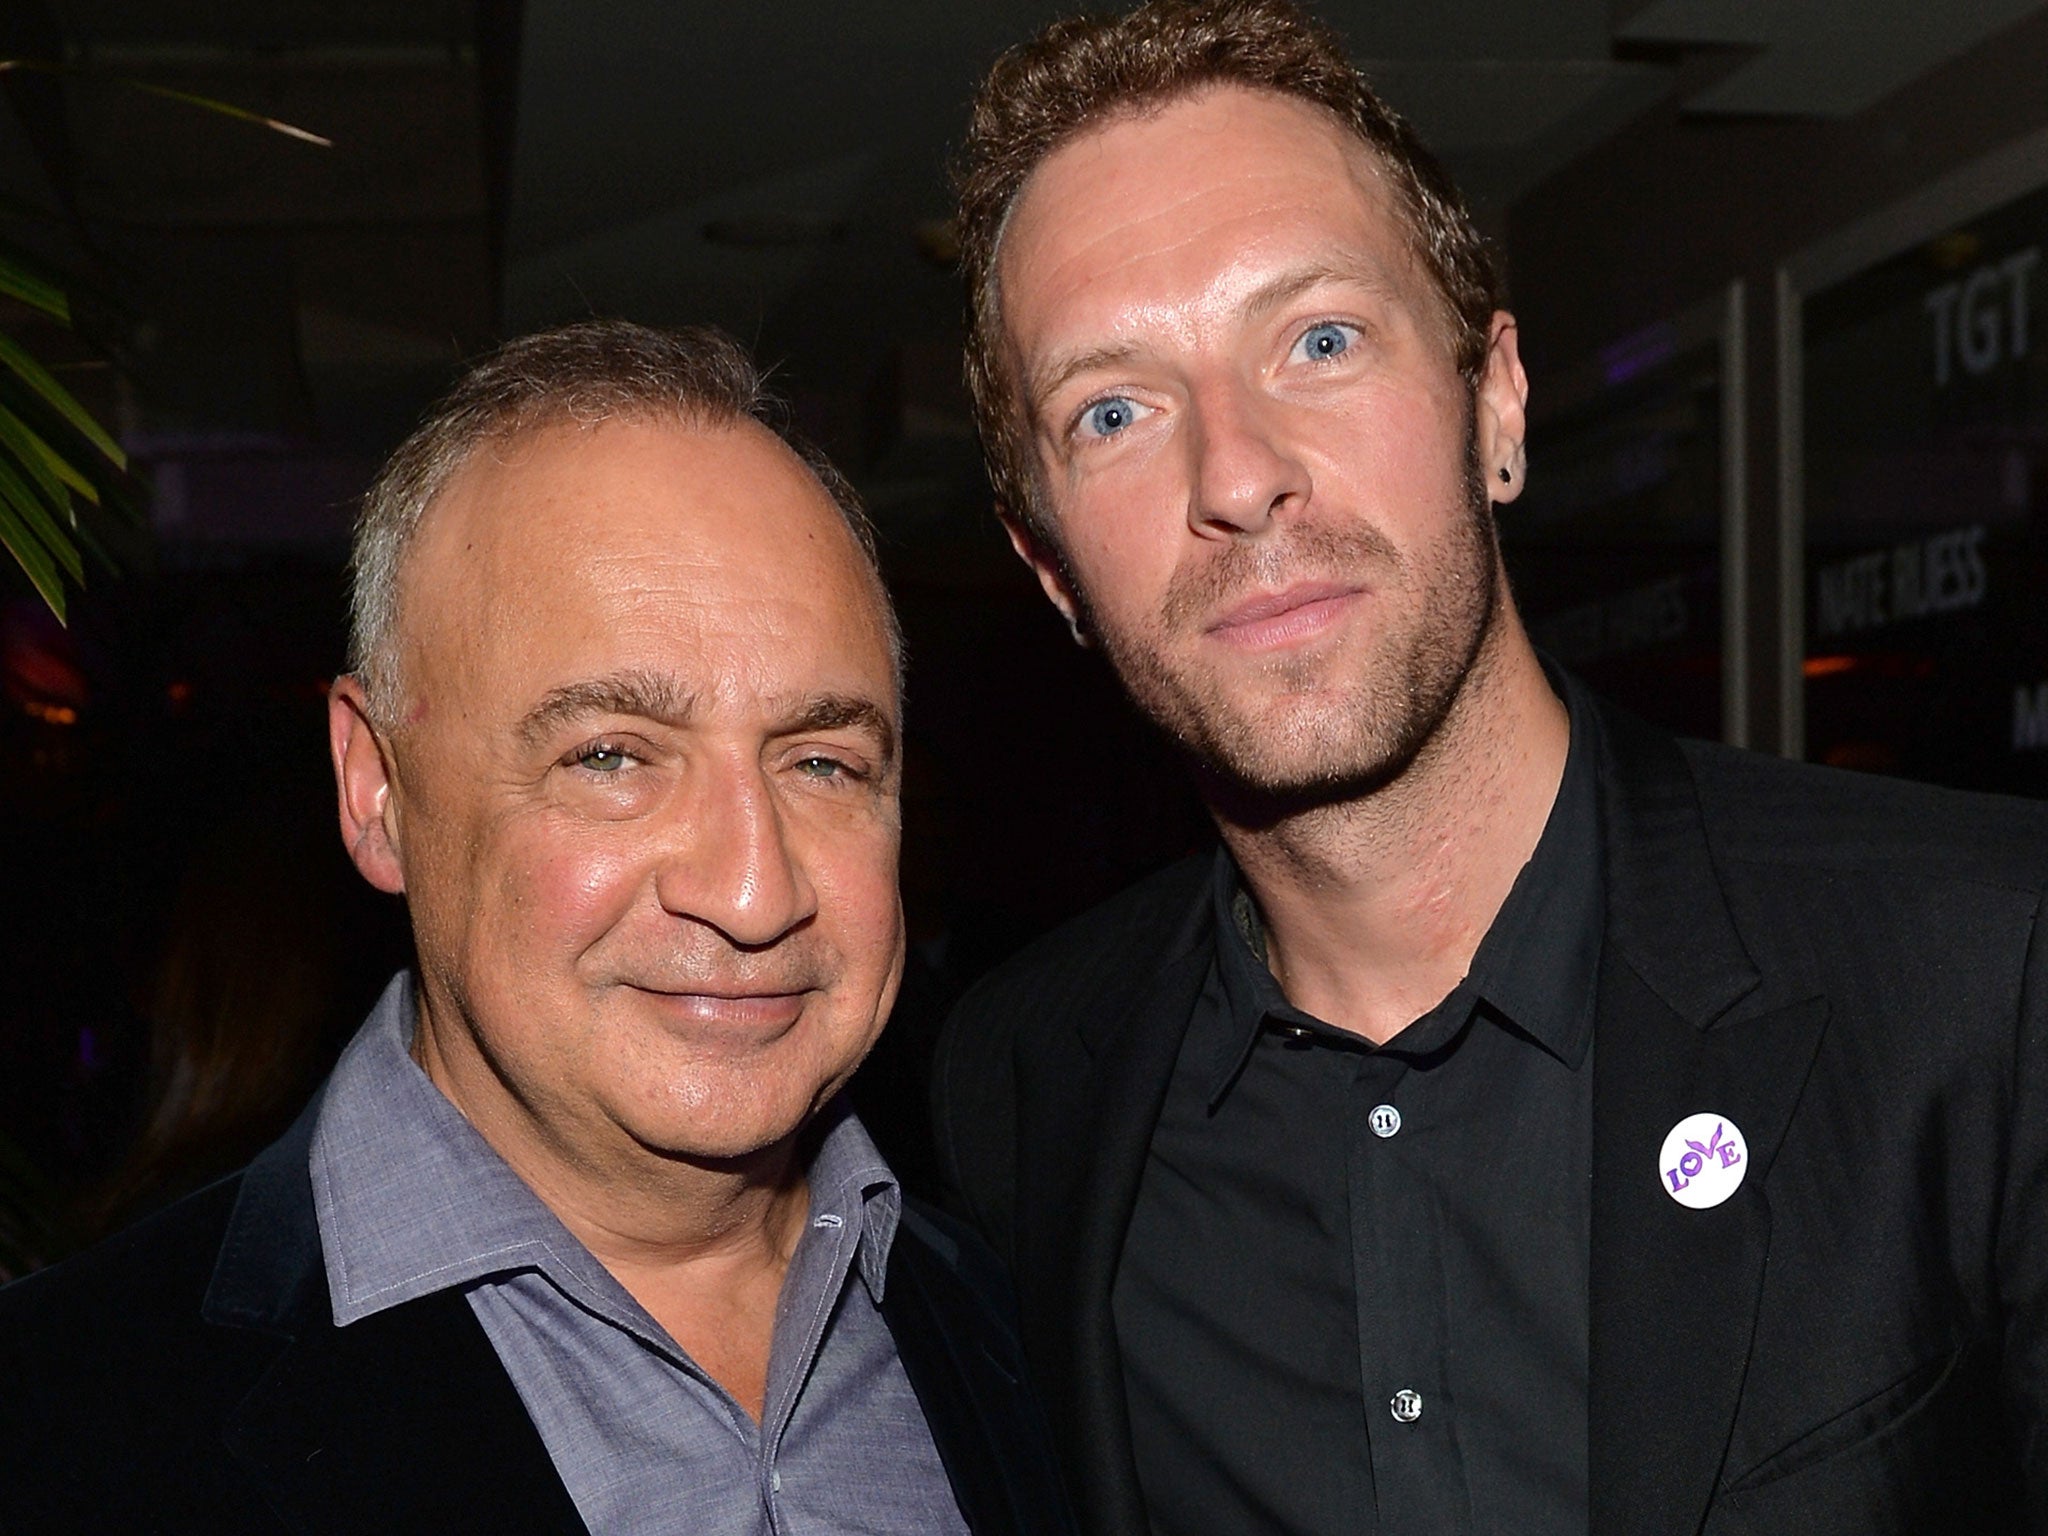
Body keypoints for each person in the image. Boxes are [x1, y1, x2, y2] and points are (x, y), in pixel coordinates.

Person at [930, 3, 2048, 1534]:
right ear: (1051, 566)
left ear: (1497, 401)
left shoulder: (1983, 970)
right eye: (1113, 409)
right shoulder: (1021, 1088)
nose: (1237, 472)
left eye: (1319, 339)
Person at [0, 320, 1074, 1535]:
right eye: (610, 755)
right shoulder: (60, 1425)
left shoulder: (1051, 1331)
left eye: (822, 762)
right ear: (377, 792)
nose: (754, 891)